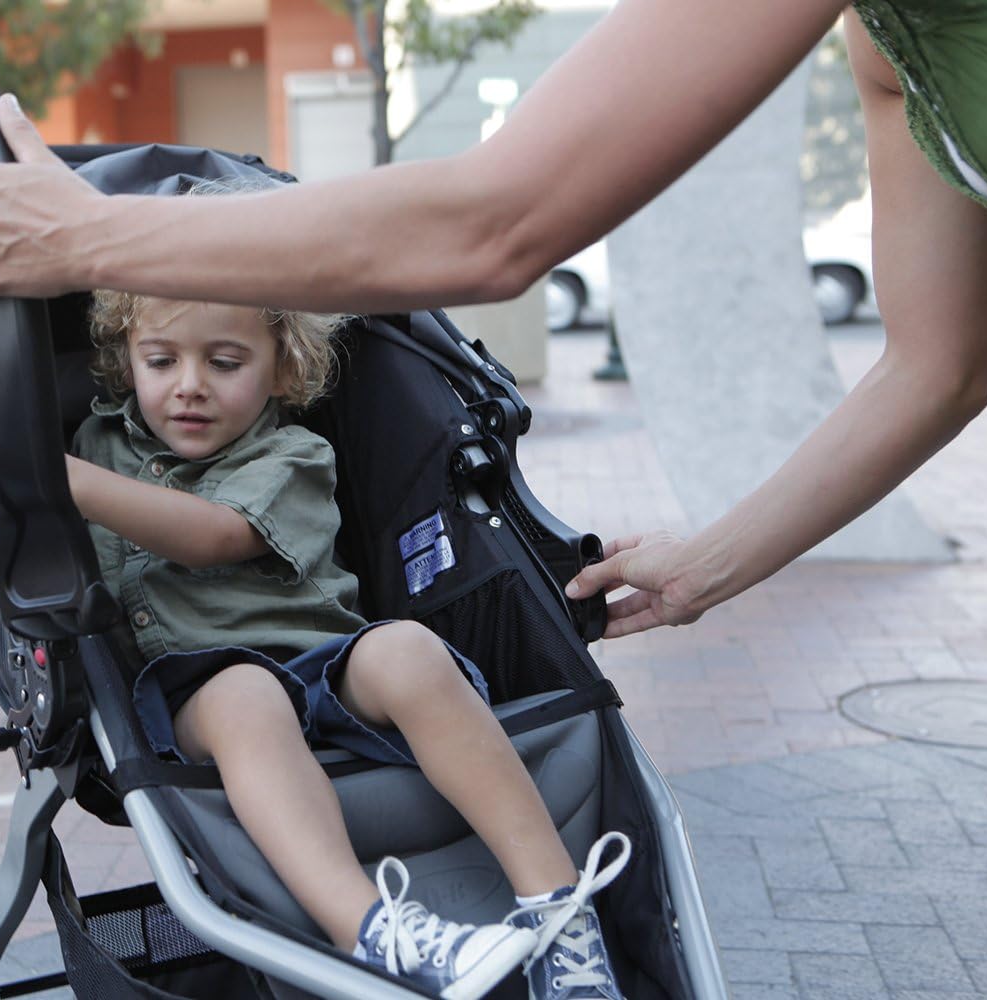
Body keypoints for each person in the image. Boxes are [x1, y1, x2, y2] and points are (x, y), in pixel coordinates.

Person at [0, 0, 987, 639]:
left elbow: (495, 226)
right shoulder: (894, 45)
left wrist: (90, 240)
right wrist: (711, 562)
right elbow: (938, 368)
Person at [64, 278, 630, 1000]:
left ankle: (559, 914)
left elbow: (211, 536)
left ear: (282, 366)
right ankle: (374, 930)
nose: (190, 387)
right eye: (161, 361)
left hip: (322, 659)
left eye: (226, 363)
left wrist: (63, 479)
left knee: (408, 650)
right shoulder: (96, 444)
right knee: (245, 695)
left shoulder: (293, 455)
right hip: (197, 686)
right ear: (127, 361)